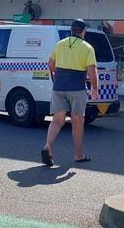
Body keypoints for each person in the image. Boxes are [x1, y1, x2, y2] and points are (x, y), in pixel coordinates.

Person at [41, 19, 98, 166]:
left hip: (59, 86)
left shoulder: (60, 44)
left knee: (57, 120)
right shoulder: (87, 47)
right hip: (77, 88)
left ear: (71, 30)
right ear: (83, 31)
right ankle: (78, 155)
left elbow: (51, 65)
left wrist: (61, 73)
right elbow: (92, 71)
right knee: (77, 121)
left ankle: (48, 147)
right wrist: (95, 89)